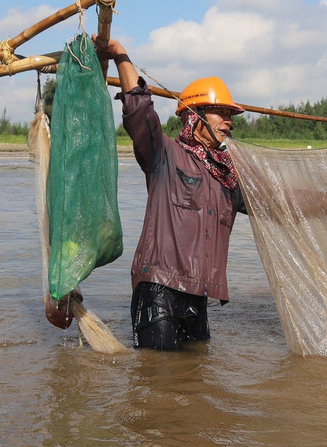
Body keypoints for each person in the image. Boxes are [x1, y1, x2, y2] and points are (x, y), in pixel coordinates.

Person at [93, 36, 247, 350]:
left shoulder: (226, 178)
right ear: (196, 116)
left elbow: (280, 202)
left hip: (198, 294)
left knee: (195, 378)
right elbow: (139, 112)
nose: (229, 122)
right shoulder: (163, 155)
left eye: (231, 115)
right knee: (158, 379)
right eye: (221, 113)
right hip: (158, 290)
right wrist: (121, 55)